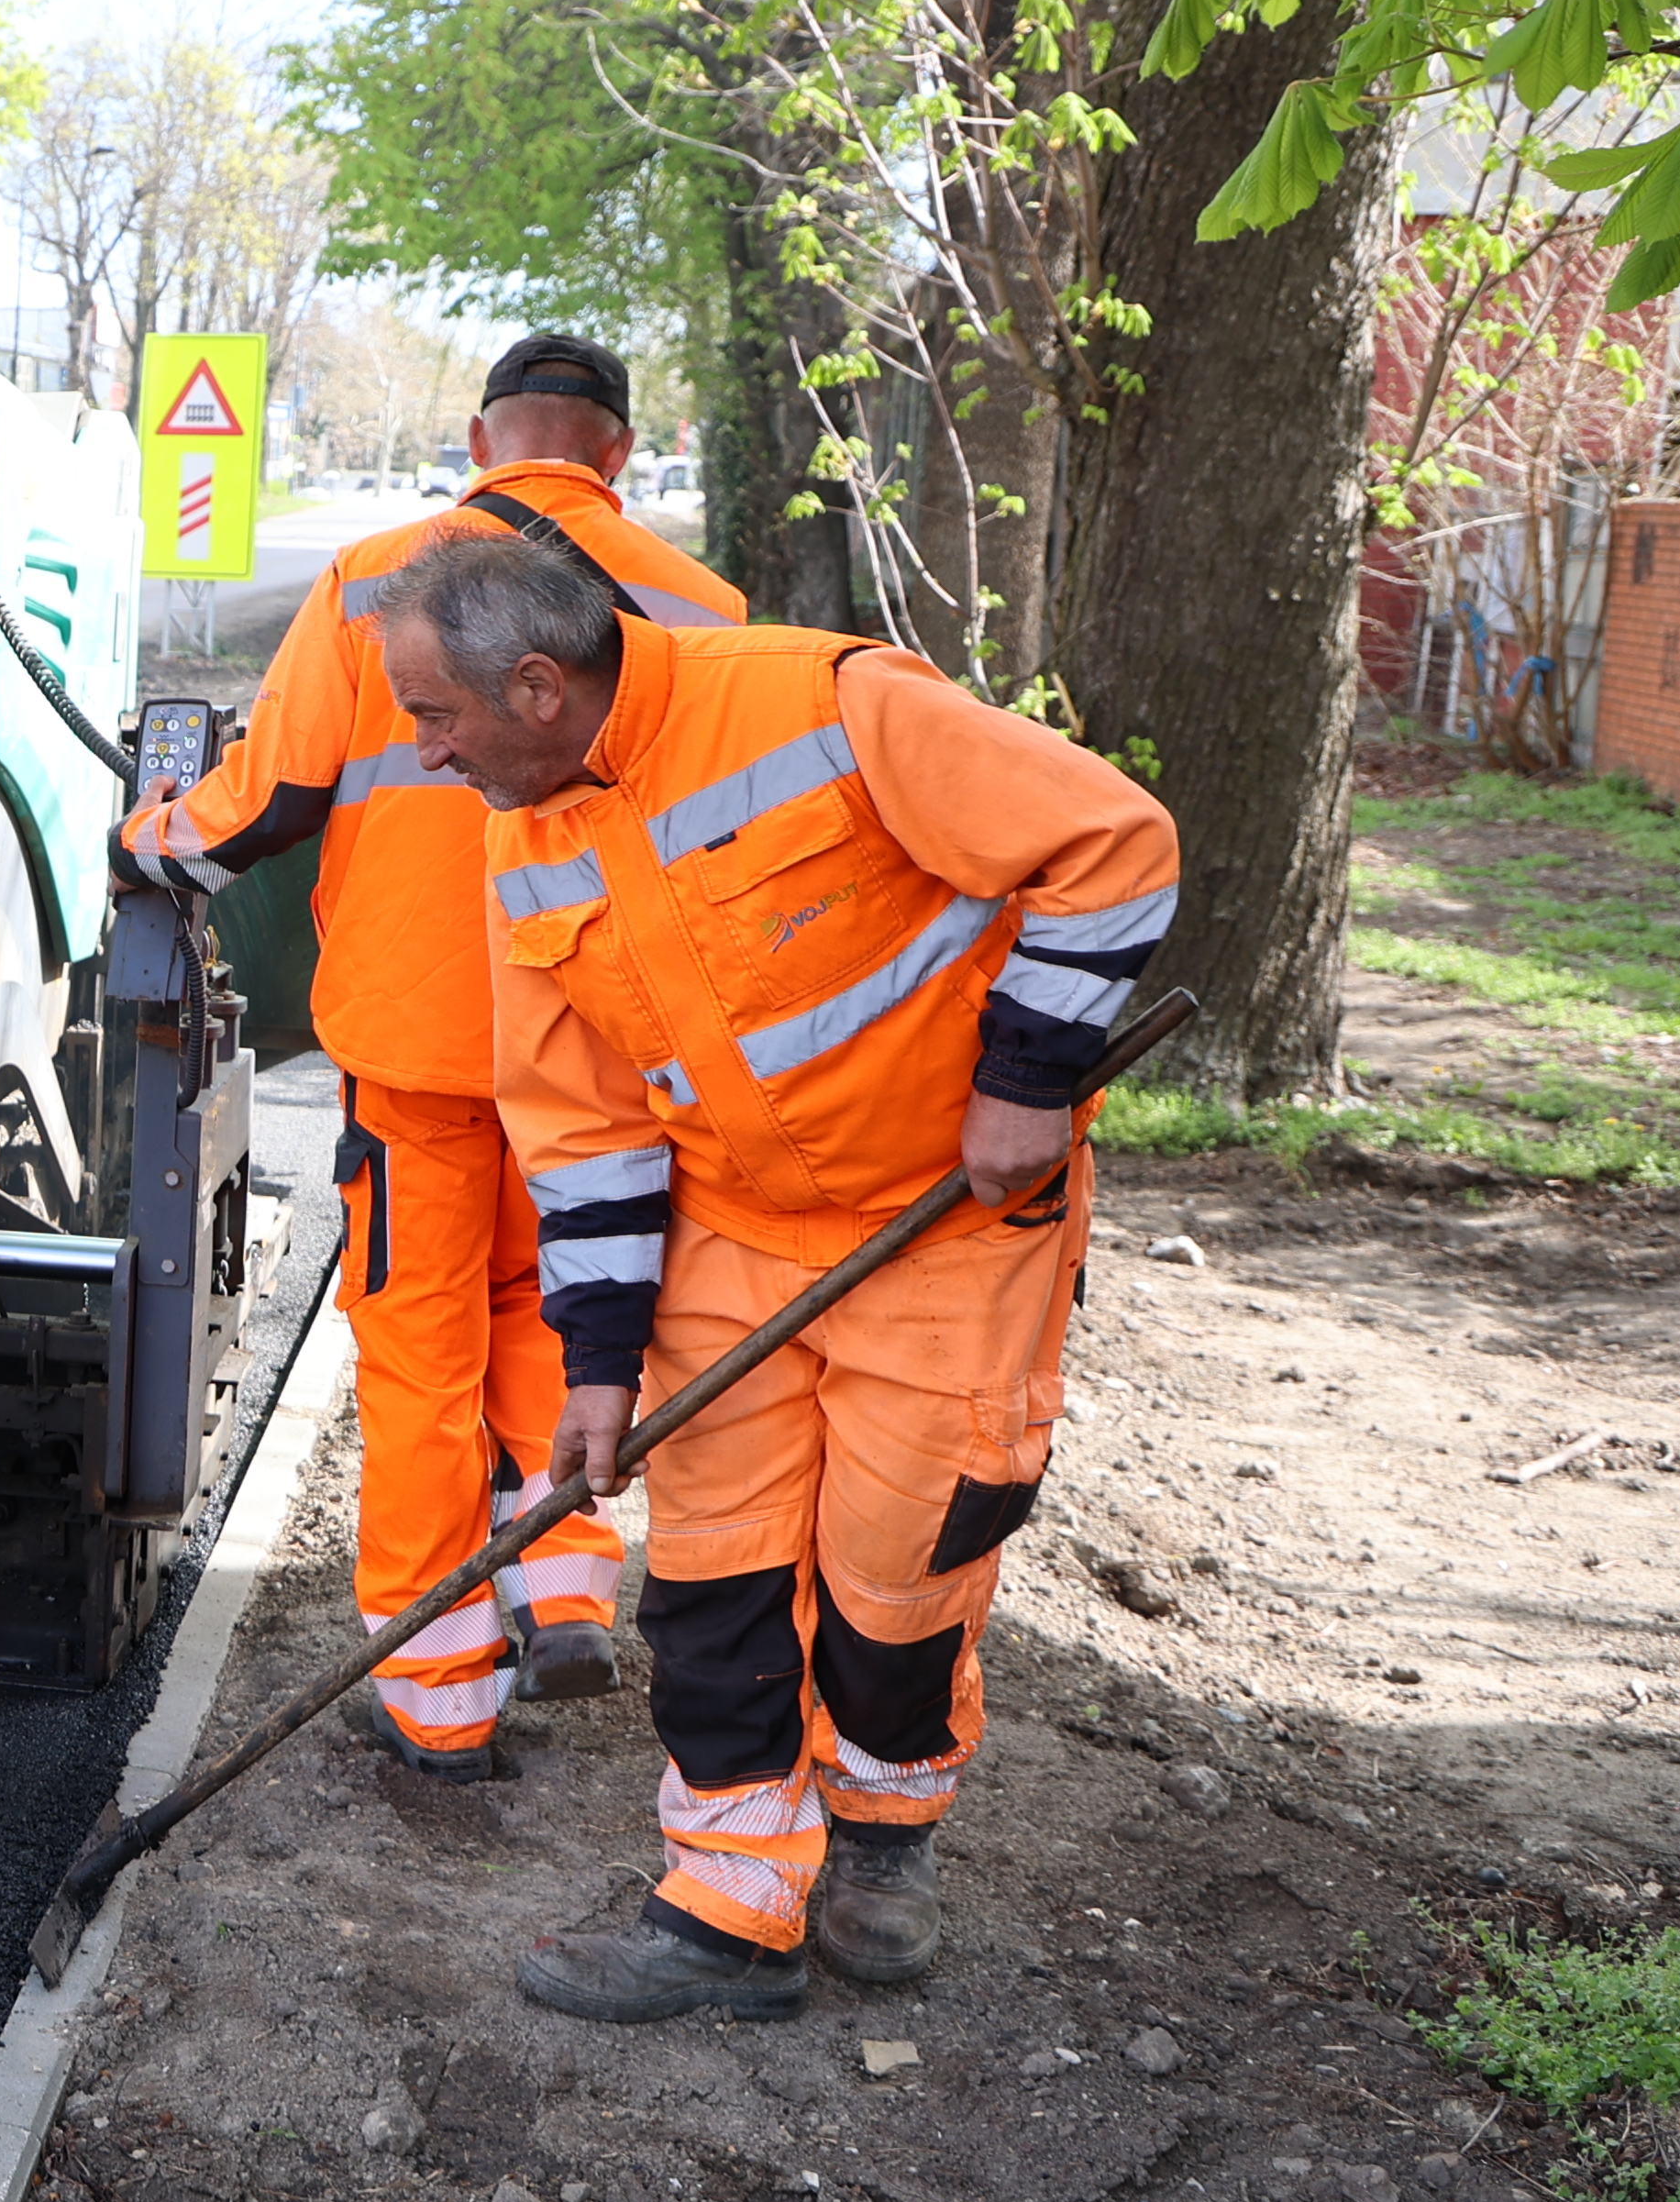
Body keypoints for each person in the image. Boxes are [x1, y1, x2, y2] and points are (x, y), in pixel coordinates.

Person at [361, 522, 1177, 2021]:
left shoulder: (826, 706)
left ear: (537, 687)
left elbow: (1109, 842)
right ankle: (727, 1903)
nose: (421, 751)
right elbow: (581, 1120)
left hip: (944, 1224)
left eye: (432, 716)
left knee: (895, 1572)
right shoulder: (520, 834)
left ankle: (880, 1830)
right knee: (711, 1587)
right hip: (732, 1236)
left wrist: (1028, 1075)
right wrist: (598, 1363)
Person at [112, 335, 746, 1774]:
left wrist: (143, 843)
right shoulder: (701, 608)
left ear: (479, 439)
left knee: (418, 1351)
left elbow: (264, 798)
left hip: (424, 1042)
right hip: (608, 1050)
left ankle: (439, 1689)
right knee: (564, 1312)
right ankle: (567, 1579)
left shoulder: (375, 579)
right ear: (620, 457)